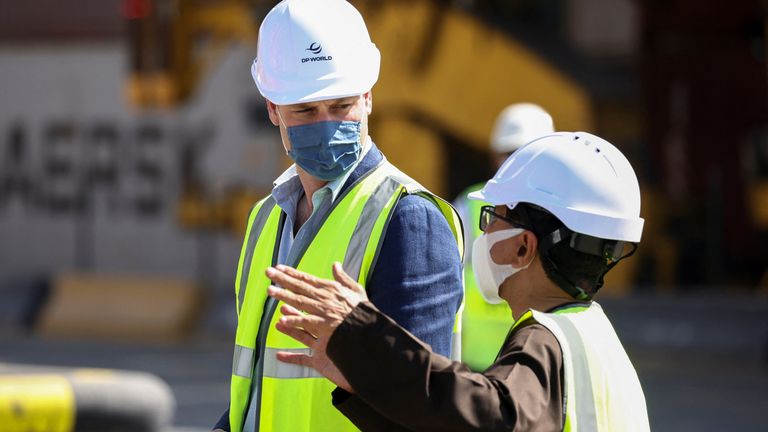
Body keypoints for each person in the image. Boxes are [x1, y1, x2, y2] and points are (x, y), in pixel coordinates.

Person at [266, 131, 651, 431]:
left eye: (492, 218)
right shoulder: (595, 339)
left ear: (523, 247)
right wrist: (365, 386)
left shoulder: (545, 343)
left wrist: (367, 342)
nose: (483, 235)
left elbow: (486, 416)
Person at [212, 1, 464, 431]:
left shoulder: (408, 219)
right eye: (306, 111)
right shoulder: (266, 217)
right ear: (273, 109)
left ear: (368, 96)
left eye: (342, 105)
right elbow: (254, 386)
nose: (326, 124)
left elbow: (424, 409)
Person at [455, 103, 554, 371]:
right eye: (509, 153)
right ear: (494, 156)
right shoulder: (470, 204)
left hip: (536, 357)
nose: (515, 163)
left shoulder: (560, 212)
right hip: (477, 362)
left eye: (525, 154)